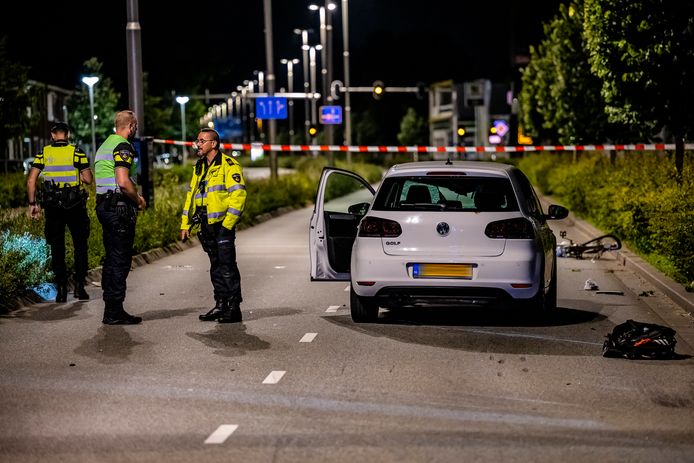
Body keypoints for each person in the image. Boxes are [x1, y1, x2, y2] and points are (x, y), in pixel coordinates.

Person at [180, 128, 247, 323]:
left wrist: (227, 225)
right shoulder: (199, 166)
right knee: (215, 266)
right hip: (205, 225)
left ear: (214, 144)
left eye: (202, 141)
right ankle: (220, 305)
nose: (198, 144)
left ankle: (234, 308)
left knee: (227, 266)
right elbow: (191, 196)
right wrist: (185, 224)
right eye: (197, 140)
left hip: (221, 225)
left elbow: (239, 196)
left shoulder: (229, 165)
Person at [26, 122, 93, 303]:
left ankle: (62, 289)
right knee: (80, 245)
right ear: (68, 134)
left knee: (57, 247)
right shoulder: (77, 152)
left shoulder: (44, 153)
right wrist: (78, 174)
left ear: (53, 135)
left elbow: (32, 180)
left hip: (53, 207)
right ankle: (79, 287)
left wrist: (32, 204)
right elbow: (88, 179)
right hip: (75, 206)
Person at [94, 110, 147, 325]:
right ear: (132, 126)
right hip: (119, 209)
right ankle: (114, 311)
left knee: (112, 257)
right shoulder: (123, 146)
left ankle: (111, 308)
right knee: (119, 260)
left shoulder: (104, 145)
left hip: (105, 207)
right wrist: (138, 200)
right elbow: (123, 181)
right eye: (135, 127)